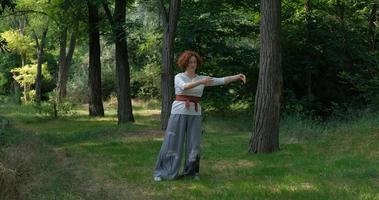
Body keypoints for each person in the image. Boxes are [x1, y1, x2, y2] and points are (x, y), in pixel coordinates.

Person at [153, 50, 246, 181]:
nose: (193, 64)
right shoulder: (179, 76)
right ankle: (163, 173)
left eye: (195, 62)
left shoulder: (201, 78)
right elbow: (184, 87)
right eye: (190, 62)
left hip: (195, 114)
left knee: (194, 144)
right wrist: (201, 82)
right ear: (185, 63)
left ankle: (191, 173)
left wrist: (237, 76)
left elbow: (220, 80)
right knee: (173, 142)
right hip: (179, 112)